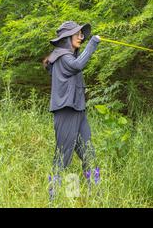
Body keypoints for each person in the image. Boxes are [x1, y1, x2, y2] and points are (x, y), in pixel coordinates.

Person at [43, 21, 101, 200]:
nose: (81, 37)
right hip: (66, 111)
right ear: (67, 38)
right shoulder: (62, 57)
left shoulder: (68, 56)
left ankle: (97, 195)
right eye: (78, 34)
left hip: (78, 111)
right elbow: (78, 65)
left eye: (82, 34)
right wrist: (93, 43)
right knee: (63, 157)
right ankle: (53, 199)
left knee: (89, 153)